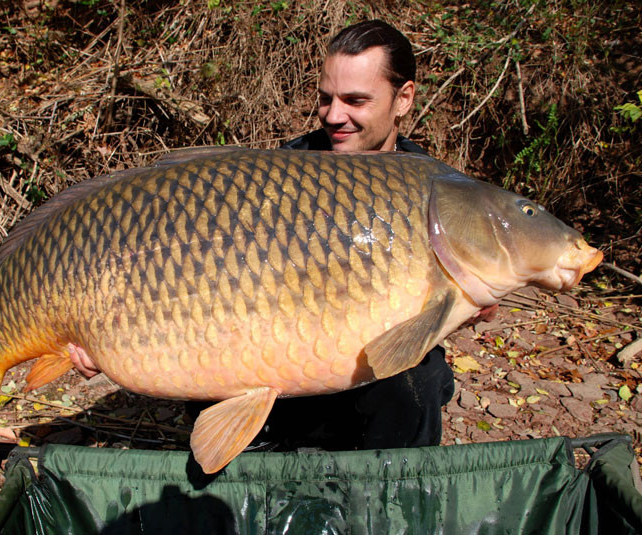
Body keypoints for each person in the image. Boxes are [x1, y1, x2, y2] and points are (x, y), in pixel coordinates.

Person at [76, 20, 455, 452]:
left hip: (368, 370)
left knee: (417, 382)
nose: (334, 116)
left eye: (355, 100)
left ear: (403, 98)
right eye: (325, 99)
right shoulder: (280, 171)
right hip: (265, 358)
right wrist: (103, 332)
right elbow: (184, 273)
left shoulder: (433, 189)